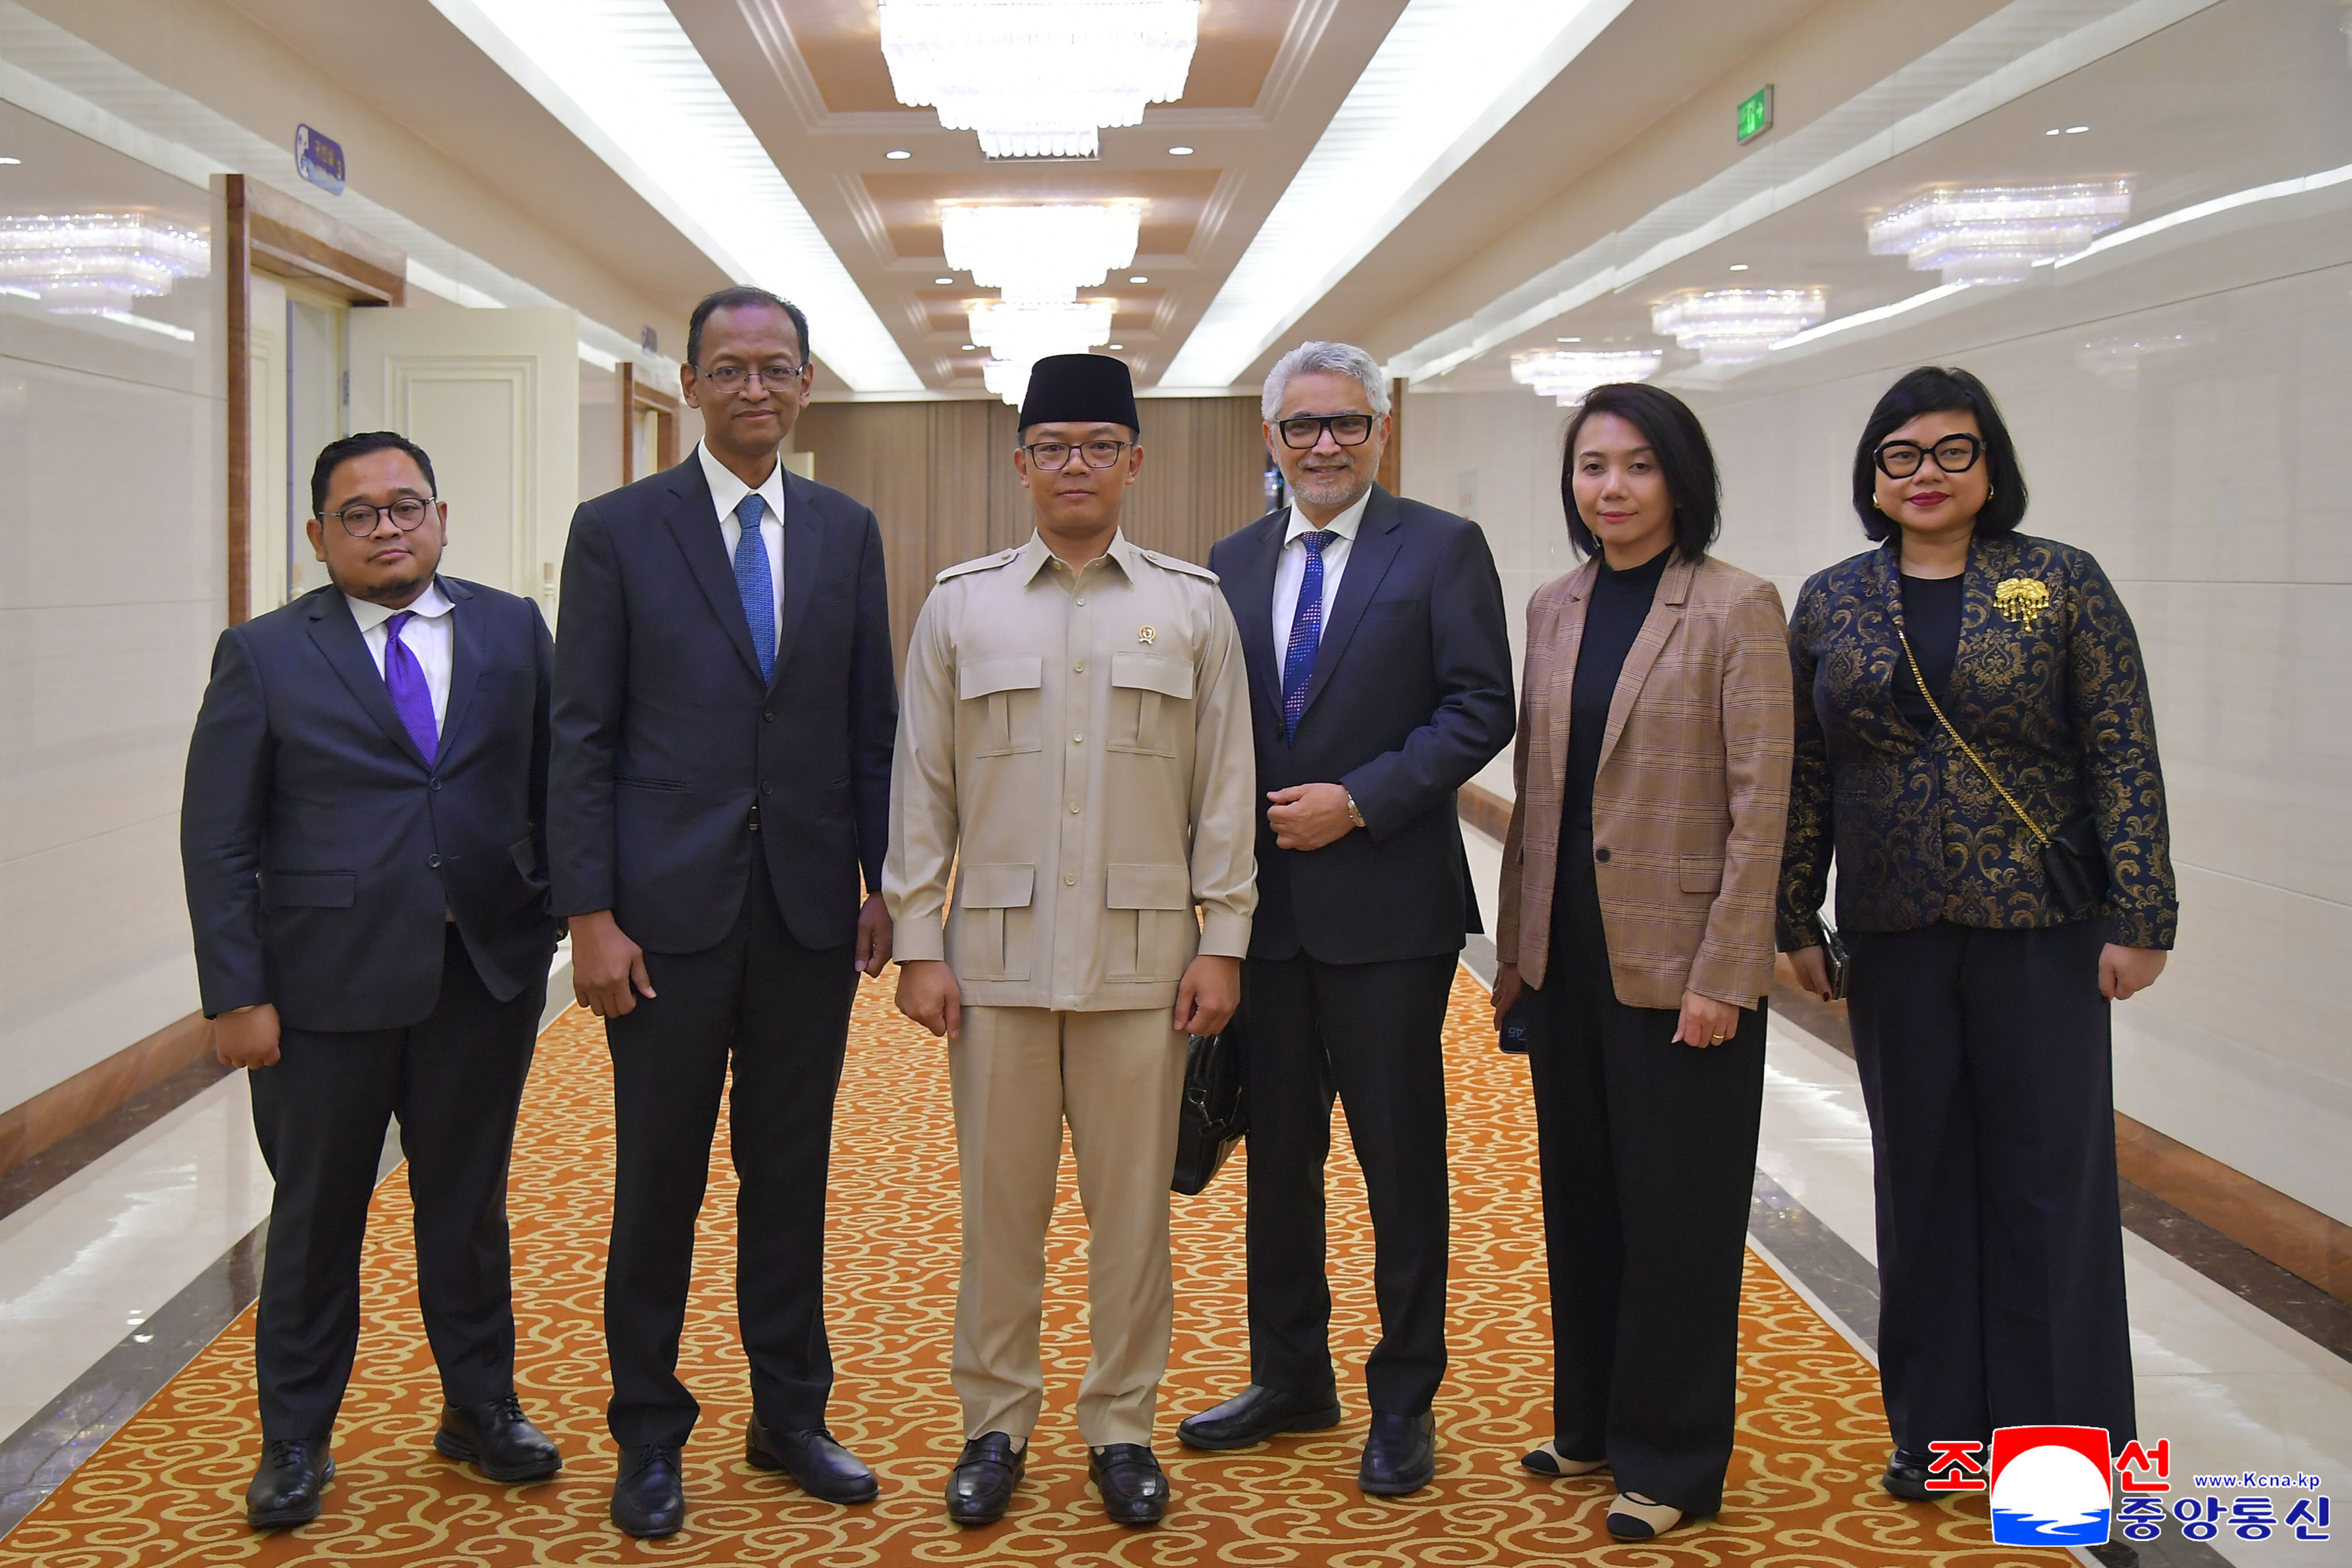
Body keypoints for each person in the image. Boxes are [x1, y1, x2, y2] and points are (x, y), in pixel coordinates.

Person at [1779, 366, 2177, 1501]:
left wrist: (2140, 913)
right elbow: (1806, 774)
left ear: (1989, 466)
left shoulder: (2054, 586)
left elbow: (2118, 751)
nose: (1925, 475)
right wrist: (1790, 912)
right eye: (1899, 455)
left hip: (2041, 925)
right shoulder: (1832, 600)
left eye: (1951, 452)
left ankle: (2064, 1457)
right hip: (1895, 930)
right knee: (1921, 1179)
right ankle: (1943, 1437)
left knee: (2048, 1182)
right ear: (1871, 474)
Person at [886, 353, 1257, 1530]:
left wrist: (1225, 937)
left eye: (1101, 444)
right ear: (1022, 465)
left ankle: (1120, 1425)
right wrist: (914, 936)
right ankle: (993, 1422)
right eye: (1054, 446)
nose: (1077, 466)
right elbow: (920, 785)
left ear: (1134, 462)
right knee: (999, 1211)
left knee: (1131, 1217)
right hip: (991, 963)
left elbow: (1225, 787)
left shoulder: (1191, 605)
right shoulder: (961, 602)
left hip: (1145, 964)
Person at [550, 287, 898, 1538]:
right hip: (662, 919)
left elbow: (872, 727)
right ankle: (648, 1429)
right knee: (658, 1180)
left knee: (789, 1172)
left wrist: (880, 883)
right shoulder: (618, 530)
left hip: (806, 910)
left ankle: (788, 1412)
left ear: (807, 385)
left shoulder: (846, 531)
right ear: (690, 385)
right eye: (731, 369)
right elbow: (578, 735)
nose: (755, 389)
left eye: (777, 368)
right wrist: (586, 912)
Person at [181, 431, 563, 1530]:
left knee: (467, 1208)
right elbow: (219, 838)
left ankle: (481, 1408)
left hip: (478, 977)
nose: (388, 527)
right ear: (319, 536)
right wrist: (236, 993)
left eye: (408, 506)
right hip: (321, 992)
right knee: (314, 1219)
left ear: (442, 516)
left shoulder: (508, 627)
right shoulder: (261, 654)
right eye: (360, 514)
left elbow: (552, 781)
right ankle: (296, 1440)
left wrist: (544, 913)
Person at [1179, 341, 1514, 1496]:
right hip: (1262, 919)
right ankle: (1290, 1376)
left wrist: (1358, 801)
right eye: (1301, 427)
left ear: (1381, 433)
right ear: (1267, 439)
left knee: (1396, 1157)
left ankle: (1402, 1395)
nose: (1324, 445)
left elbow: (1481, 705)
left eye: (1347, 425)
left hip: (1387, 911)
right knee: (1276, 1156)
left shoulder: (1440, 548)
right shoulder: (1227, 562)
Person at [1488, 385, 1791, 1540]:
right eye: (1589, 467)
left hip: (1680, 964)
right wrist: (1516, 948)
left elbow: (1761, 812)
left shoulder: (1734, 607)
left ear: (1678, 480)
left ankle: (1672, 1458)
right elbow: (1542, 797)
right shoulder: (1553, 606)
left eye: (1634, 467)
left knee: (1678, 1214)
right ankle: (1593, 1423)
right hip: (1566, 957)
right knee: (1583, 1197)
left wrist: (1726, 972)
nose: (1608, 489)